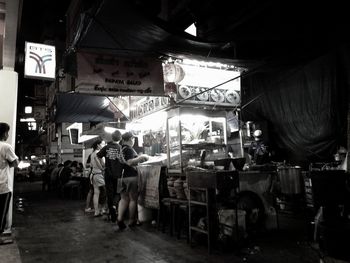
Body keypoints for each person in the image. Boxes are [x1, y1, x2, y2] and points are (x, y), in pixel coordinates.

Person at [117, 132, 148, 229]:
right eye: (133, 139)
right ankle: (131, 221)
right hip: (130, 176)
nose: (134, 140)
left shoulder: (121, 149)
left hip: (121, 178)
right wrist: (142, 157)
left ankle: (120, 219)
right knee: (133, 199)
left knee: (123, 199)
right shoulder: (129, 149)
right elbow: (130, 162)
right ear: (130, 139)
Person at [96, 130, 125, 223]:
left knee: (109, 193)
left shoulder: (107, 147)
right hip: (118, 174)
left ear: (112, 138)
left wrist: (103, 166)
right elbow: (123, 161)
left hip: (108, 174)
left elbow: (98, 156)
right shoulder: (120, 147)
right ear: (120, 139)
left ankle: (111, 213)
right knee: (117, 193)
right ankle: (114, 206)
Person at [0, 122, 19, 244]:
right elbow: (15, 163)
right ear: (4, 133)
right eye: (7, 132)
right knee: (1, 212)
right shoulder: (5, 147)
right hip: (2, 185)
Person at [89, 140, 107, 217]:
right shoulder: (98, 153)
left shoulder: (92, 153)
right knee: (105, 192)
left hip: (94, 174)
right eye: (103, 143)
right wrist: (103, 169)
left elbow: (91, 165)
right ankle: (102, 209)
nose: (105, 144)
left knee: (96, 193)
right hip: (100, 174)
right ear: (98, 145)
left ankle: (96, 211)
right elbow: (101, 164)